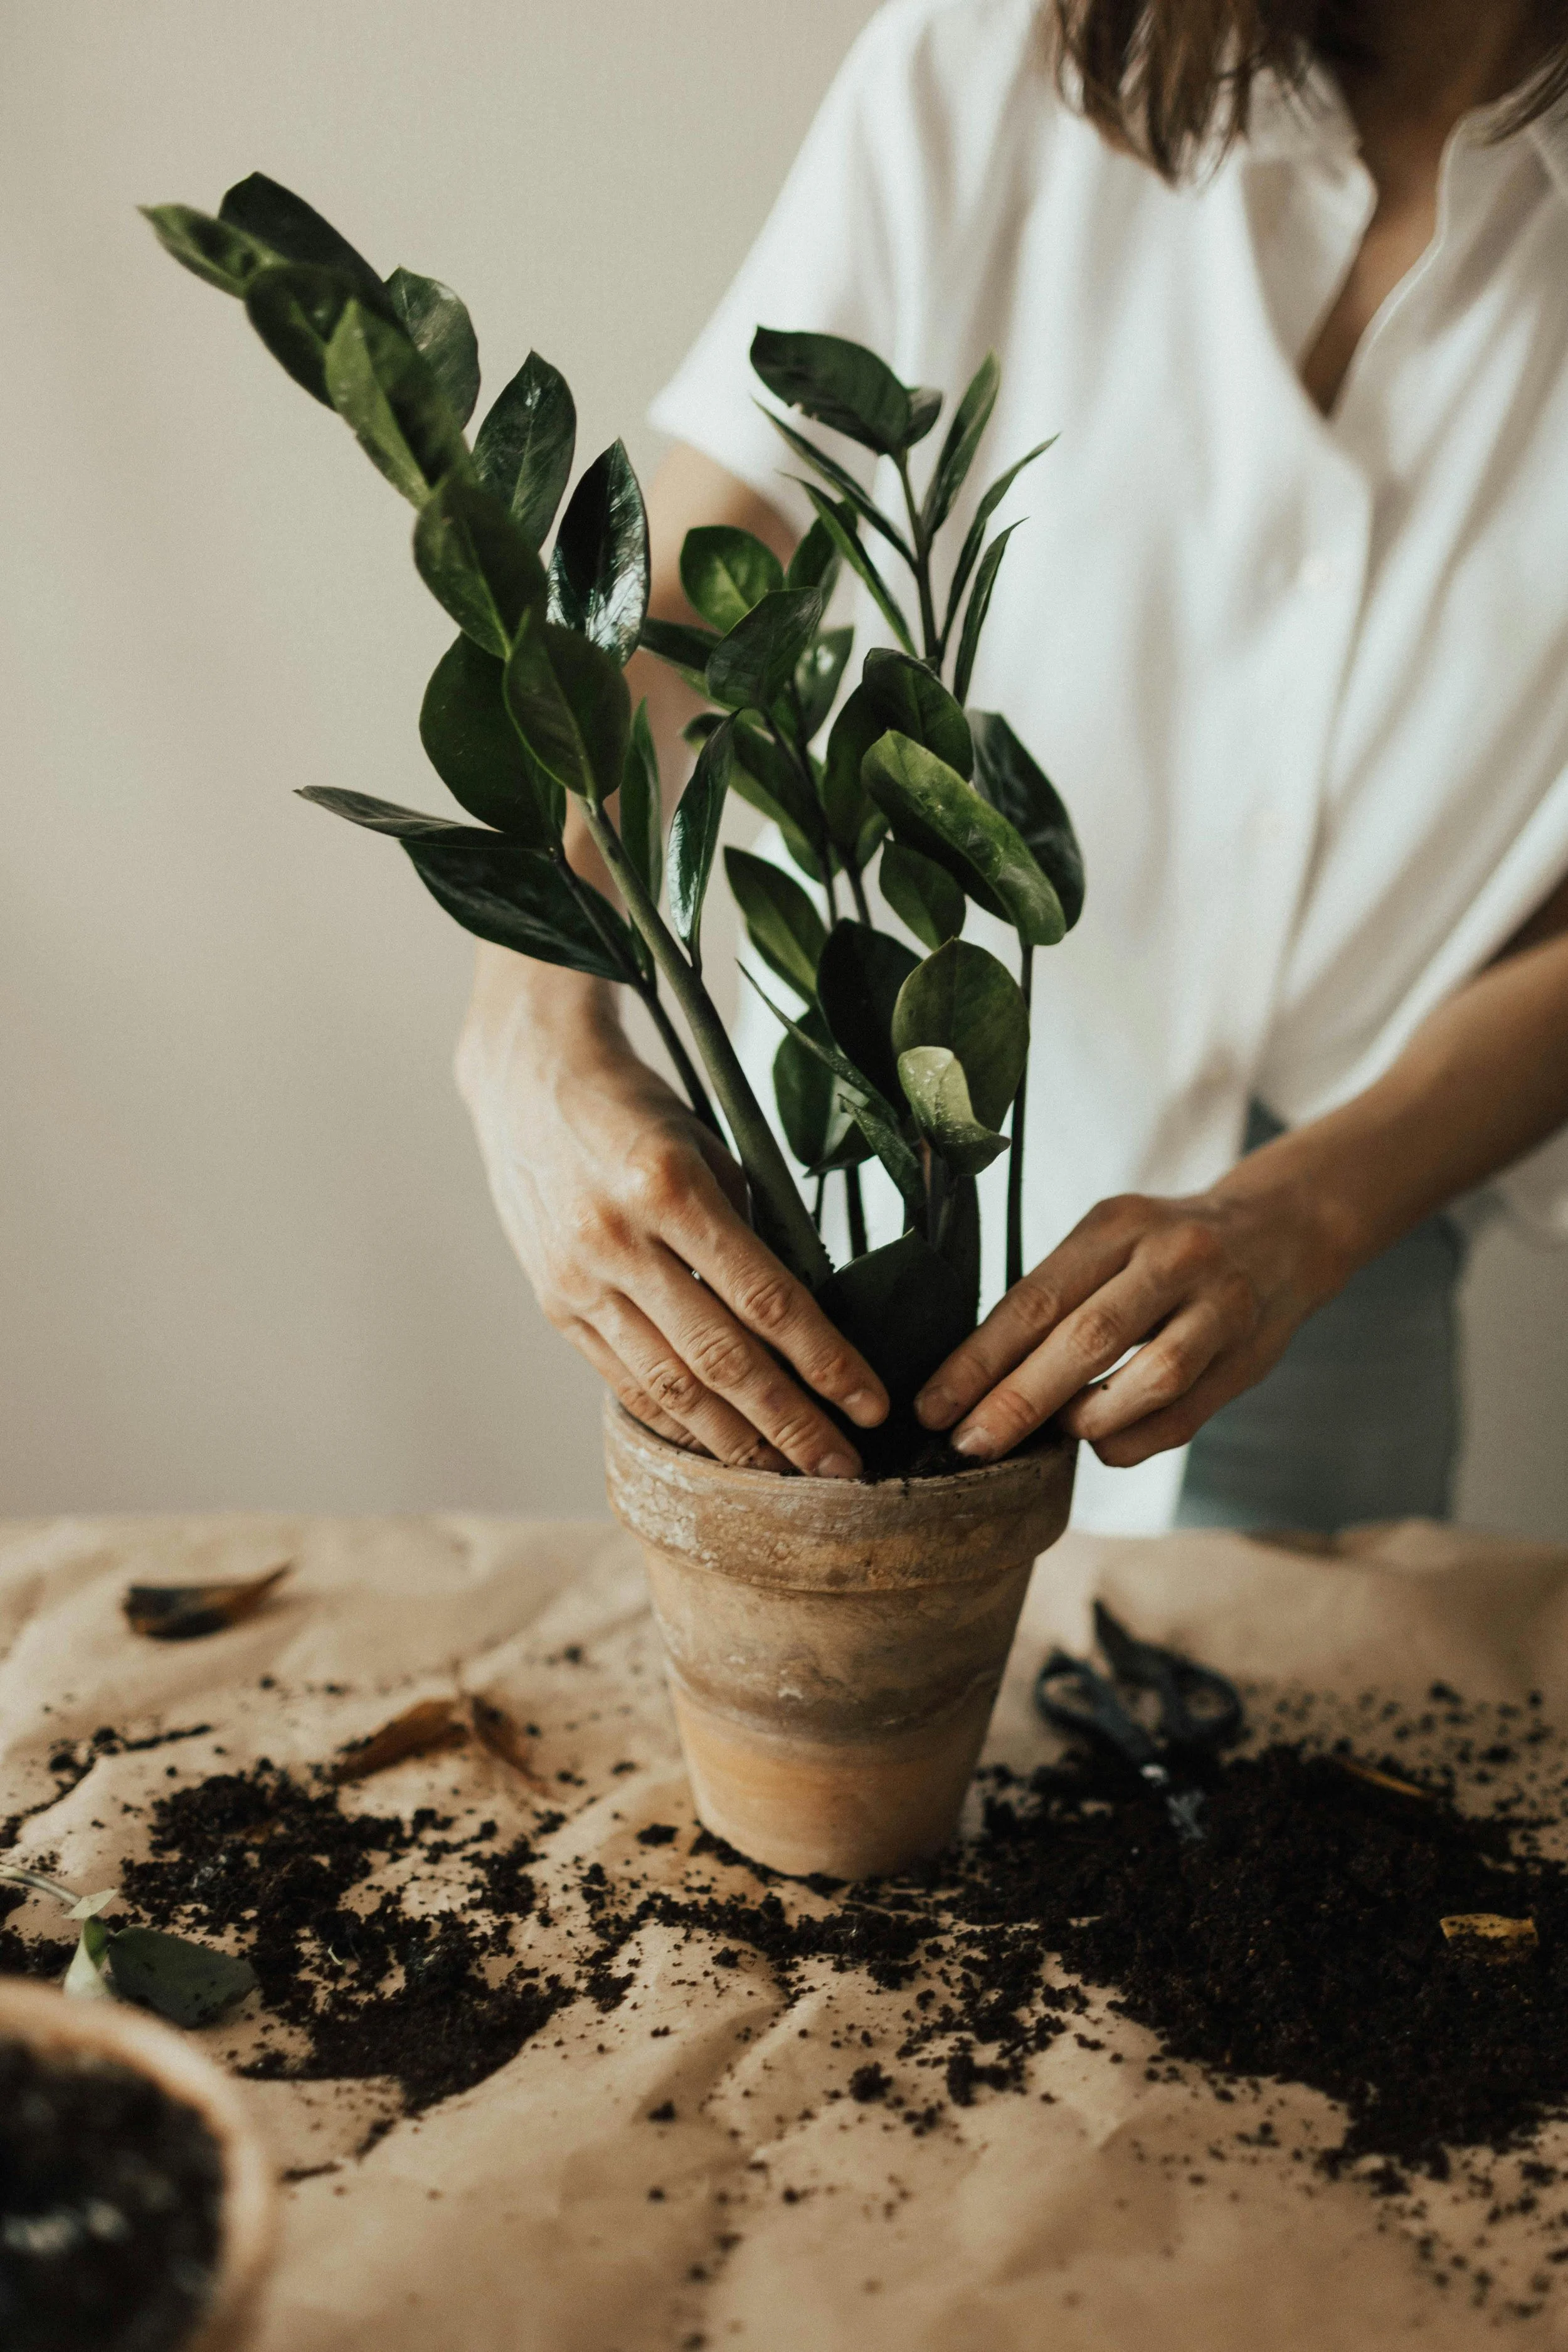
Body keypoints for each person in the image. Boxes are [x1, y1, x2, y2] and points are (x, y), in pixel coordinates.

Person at [458, 0, 1568, 1535]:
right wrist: (528, 1029)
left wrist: (1306, 1217)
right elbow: (675, 607)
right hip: (849, 1171)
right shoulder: (992, 60)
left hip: (1331, 1254)